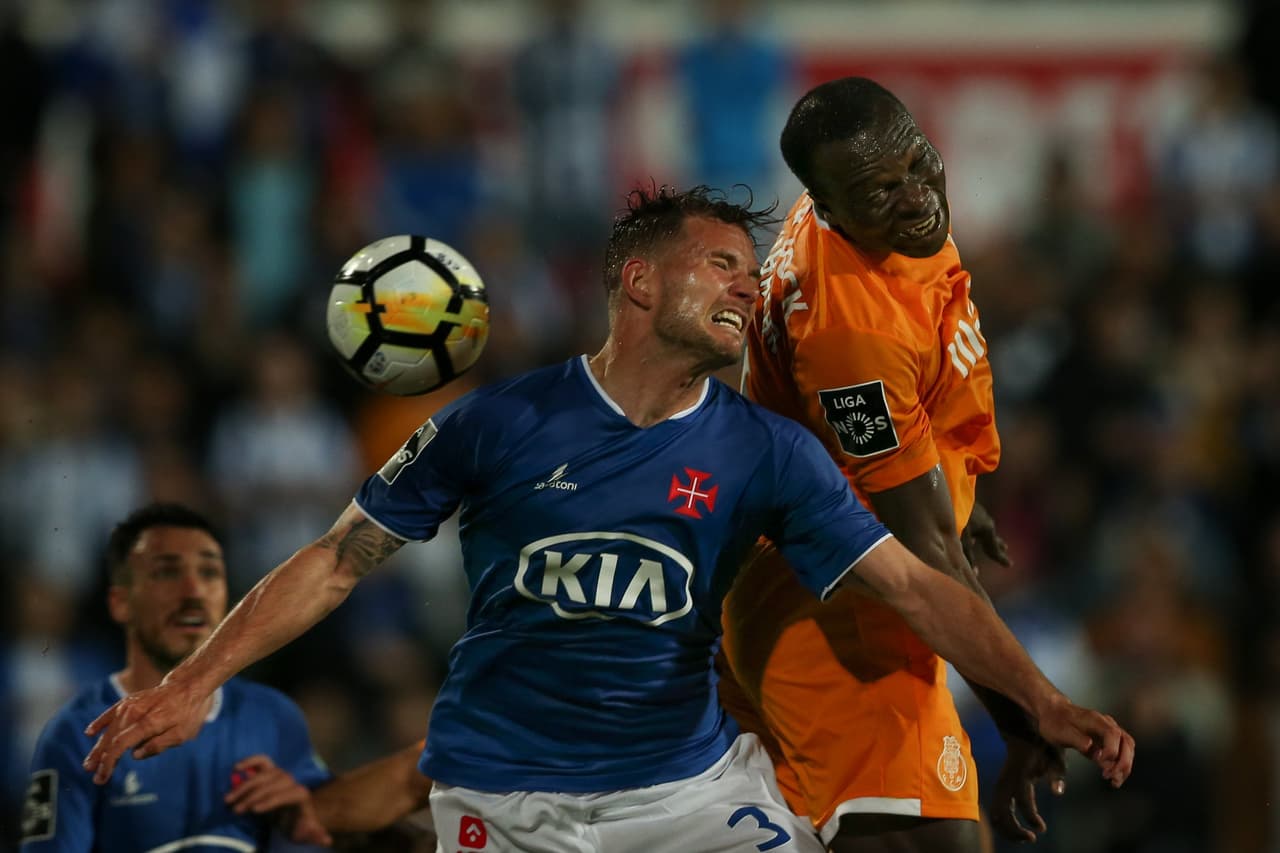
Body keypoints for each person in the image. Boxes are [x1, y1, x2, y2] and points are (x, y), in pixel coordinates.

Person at [81, 187, 1133, 853]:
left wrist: (1039, 699)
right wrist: (190, 682)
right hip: (506, 795)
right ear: (638, 281)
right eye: (719, 263)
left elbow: (912, 584)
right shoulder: (496, 422)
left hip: (684, 794)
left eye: (749, 270)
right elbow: (336, 560)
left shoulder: (764, 450)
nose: (744, 285)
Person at [716, 76, 1070, 852]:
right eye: (882, 190)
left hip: (820, 584)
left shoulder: (856, 214)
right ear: (831, 205)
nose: (916, 197)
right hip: (839, 617)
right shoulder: (852, 334)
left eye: (918, 162)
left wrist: (951, 485)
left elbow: (904, 397)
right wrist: (1024, 713)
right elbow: (926, 552)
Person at [20, 502, 333, 851]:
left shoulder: (275, 716)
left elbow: (324, 834)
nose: (194, 592)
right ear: (120, 602)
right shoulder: (78, 733)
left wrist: (298, 828)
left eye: (209, 573)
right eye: (167, 573)